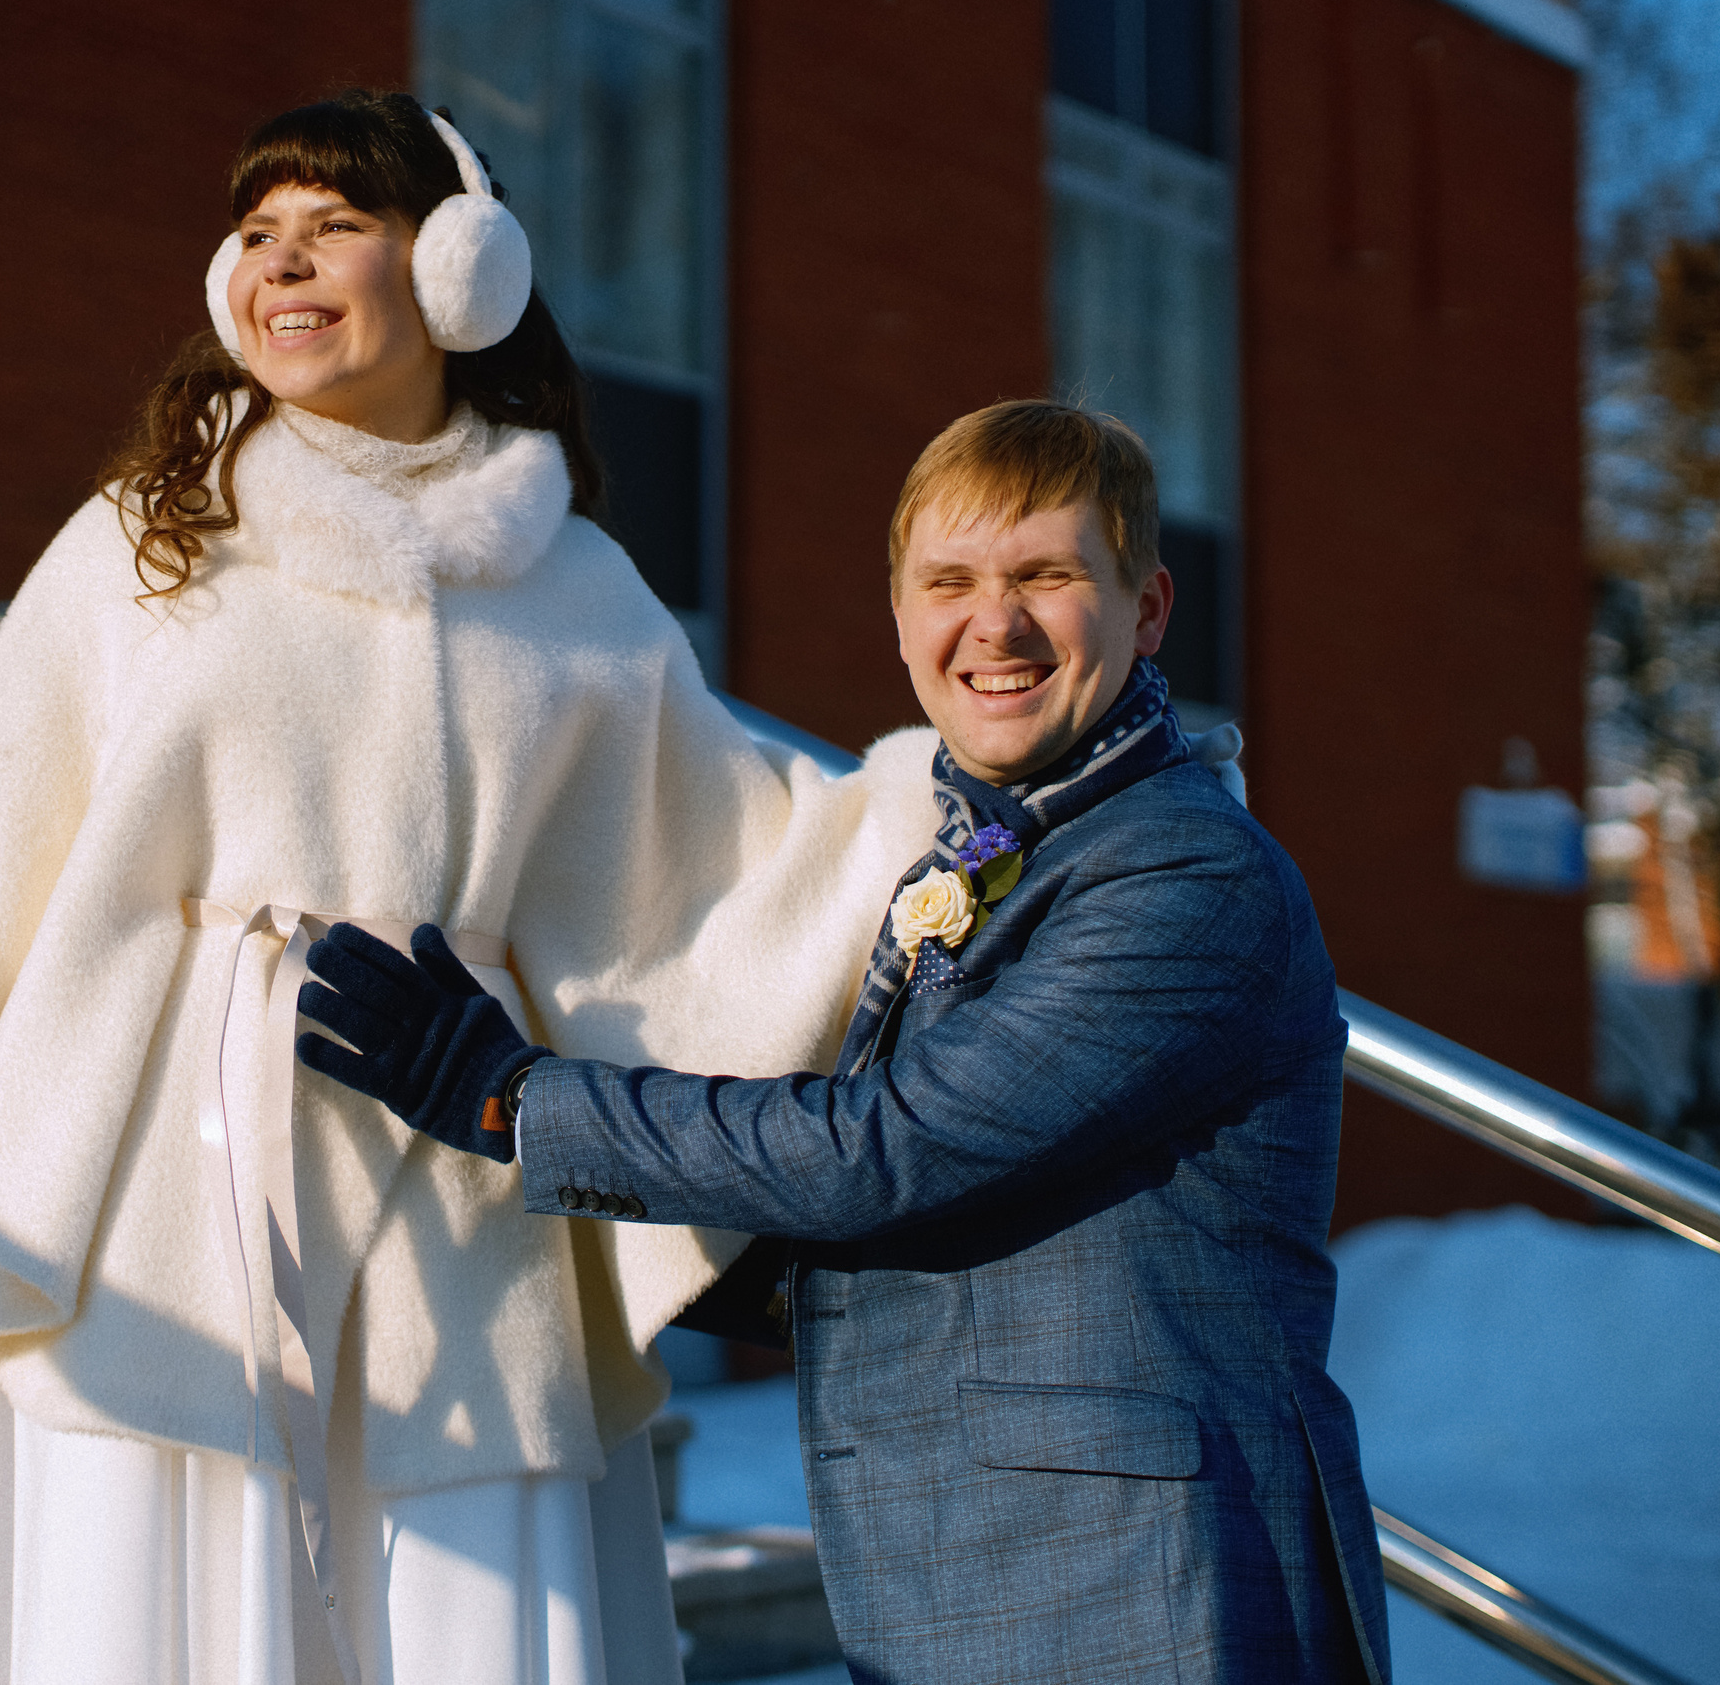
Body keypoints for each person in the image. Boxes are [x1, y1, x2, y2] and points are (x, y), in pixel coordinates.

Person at [0, 90, 944, 1685]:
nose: (279, 266)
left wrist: (969, 797)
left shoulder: (579, 593)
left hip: (457, 1214)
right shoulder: (148, 539)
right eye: (254, 233)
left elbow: (740, 884)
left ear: (459, 270)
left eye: (333, 226)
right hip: (138, 1211)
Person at [297, 401, 1394, 1684]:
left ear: (1146, 610)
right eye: (950, 583)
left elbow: (893, 1151)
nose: (995, 626)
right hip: (976, 1582)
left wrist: (512, 1102)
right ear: (899, 617)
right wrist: (600, 1252)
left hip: (1146, 1590)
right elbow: (931, 1251)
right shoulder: (991, 844)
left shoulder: (1185, 875)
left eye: (1046, 575)